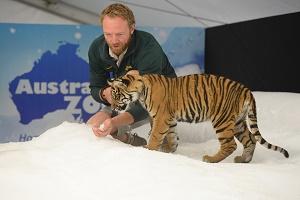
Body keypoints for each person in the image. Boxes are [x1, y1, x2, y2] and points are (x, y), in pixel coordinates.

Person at [86, 3, 177, 146]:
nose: (114, 41)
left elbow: (148, 103)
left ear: (132, 28)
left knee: (164, 151)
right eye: (108, 34)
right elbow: (95, 88)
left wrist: (114, 122)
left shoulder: (148, 47)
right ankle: (131, 141)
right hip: (125, 98)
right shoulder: (96, 48)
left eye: (120, 34)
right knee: (93, 130)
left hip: (161, 98)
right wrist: (105, 93)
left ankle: (165, 132)